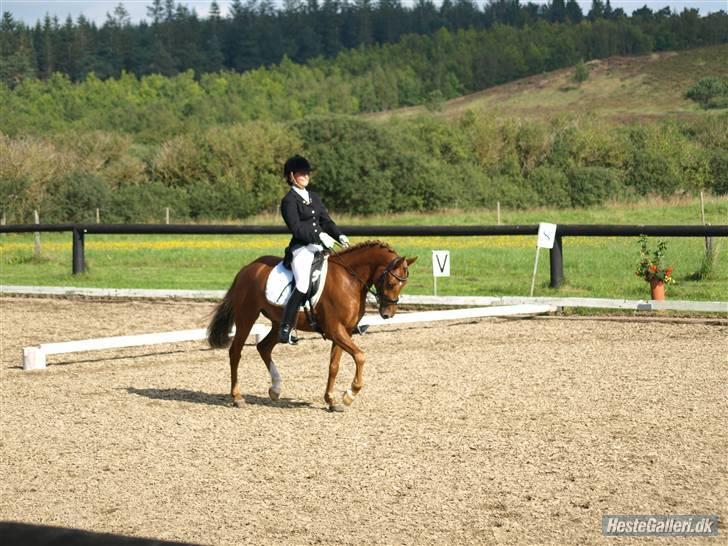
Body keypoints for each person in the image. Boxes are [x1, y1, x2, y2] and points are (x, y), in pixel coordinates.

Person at [278, 155, 349, 344]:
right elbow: (297, 229)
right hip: (302, 249)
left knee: (342, 274)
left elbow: (326, 220)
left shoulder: (314, 197)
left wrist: (338, 235)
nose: (306, 176)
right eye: (302, 173)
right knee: (302, 283)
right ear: (292, 176)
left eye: (307, 173)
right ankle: (286, 326)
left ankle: (350, 321)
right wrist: (319, 237)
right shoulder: (288, 201)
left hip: (320, 247)